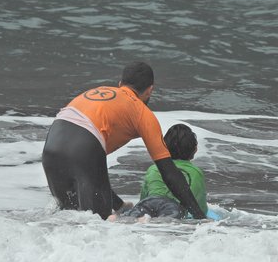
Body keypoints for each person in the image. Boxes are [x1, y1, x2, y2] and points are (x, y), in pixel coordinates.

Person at [42, 62, 206, 220]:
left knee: (68, 219)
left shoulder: (96, 92)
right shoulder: (141, 112)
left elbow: (92, 172)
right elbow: (169, 173)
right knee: (98, 225)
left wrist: (119, 206)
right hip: (85, 147)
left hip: (51, 147)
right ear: (150, 90)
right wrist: (199, 216)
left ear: (121, 84)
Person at [108, 124, 208, 222]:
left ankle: (117, 218)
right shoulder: (195, 172)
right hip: (171, 207)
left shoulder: (154, 168)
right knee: (164, 221)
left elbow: (143, 197)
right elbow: (200, 207)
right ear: (194, 150)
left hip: (147, 203)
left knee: (132, 218)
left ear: (165, 147)